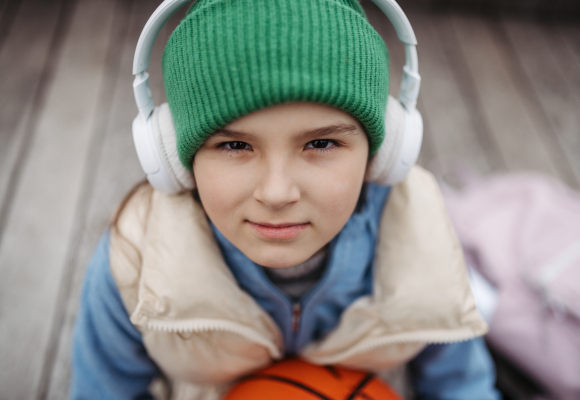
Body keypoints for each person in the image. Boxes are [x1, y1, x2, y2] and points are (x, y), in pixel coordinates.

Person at [70, 0, 501, 399]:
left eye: (321, 143)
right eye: (235, 147)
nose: (277, 193)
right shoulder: (133, 262)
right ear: (172, 157)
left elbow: (465, 387)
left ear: (380, 153)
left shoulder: (422, 240)